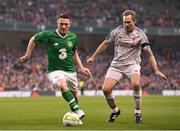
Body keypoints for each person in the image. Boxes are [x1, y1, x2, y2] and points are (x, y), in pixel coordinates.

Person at [87, 10, 167, 124]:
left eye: (129, 22)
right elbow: (105, 43)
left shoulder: (140, 35)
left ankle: (137, 112)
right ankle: (115, 111)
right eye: (125, 22)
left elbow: (150, 54)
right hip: (117, 65)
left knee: (136, 84)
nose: (126, 24)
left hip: (132, 64)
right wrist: (93, 57)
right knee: (105, 89)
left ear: (134, 21)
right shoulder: (116, 31)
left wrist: (157, 70)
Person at [20, 14, 92, 123]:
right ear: (57, 23)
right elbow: (33, 39)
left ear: (70, 25)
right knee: (62, 86)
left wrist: (81, 67)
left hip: (70, 70)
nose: (63, 26)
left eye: (66, 24)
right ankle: (78, 110)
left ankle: (75, 114)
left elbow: (74, 52)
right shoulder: (49, 35)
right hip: (54, 70)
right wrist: (27, 55)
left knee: (75, 96)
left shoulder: (73, 37)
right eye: (61, 24)